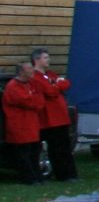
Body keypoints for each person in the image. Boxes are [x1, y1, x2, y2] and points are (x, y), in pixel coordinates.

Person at [30, 49, 76, 182]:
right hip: (49, 119)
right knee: (56, 148)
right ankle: (62, 174)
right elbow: (49, 91)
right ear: (37, 60)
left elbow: (67, 83)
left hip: (61, 117)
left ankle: (71, 174)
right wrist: (57, 85)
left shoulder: (50, 74)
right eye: (45, 58)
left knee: (65, 147)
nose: (48, 60)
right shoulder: (35, 77)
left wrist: (57, 85)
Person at [4, 61, 45, 185]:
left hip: (32, 125)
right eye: (29, 69)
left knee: (34, 153)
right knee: (24, 155)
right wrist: (34, 100)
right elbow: (26, 101)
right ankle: (29, 179)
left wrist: (34, 100)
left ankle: (38, 178)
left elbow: (40, 101)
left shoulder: (32, 83)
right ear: (21, 72)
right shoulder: (13, 86)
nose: (32, 70)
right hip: (19, 126)